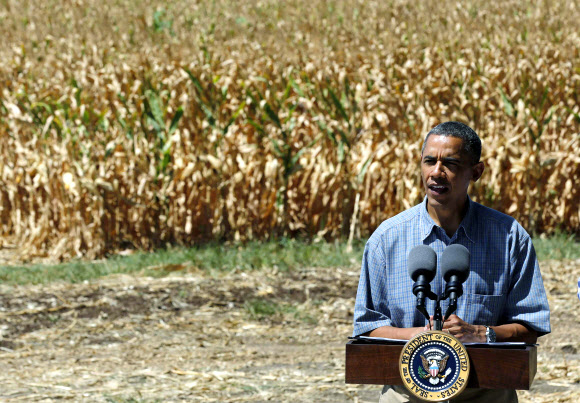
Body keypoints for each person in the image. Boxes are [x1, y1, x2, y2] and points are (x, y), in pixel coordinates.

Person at [352, 121, 551, 402]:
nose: (436, 172)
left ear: (476, 172)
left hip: (486, 394)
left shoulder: (508, 237)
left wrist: (481, 333)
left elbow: (531, 324)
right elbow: (367, 326)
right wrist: (422, 337)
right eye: (429, 161)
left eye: (451, 164)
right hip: (405, 395)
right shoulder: (386, 239)